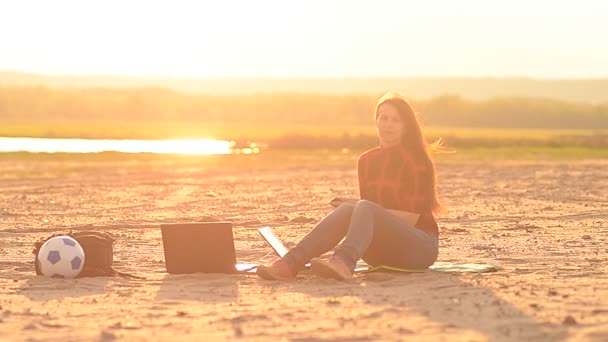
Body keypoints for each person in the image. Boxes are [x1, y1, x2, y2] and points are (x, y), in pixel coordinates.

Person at [257, 91, 444, 280]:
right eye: (384, 118)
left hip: (419, 248)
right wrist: (358, 206)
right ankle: (291, 263)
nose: (388, 124)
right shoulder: (367, 160)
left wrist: (361, 206)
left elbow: (411, 219)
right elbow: (367, 216)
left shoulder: (417, 161)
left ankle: (343, 262)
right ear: (376, 121)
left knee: (361, 206)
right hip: (380, 252)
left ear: (406, 126)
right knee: (348, 209)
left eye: (396, 120)